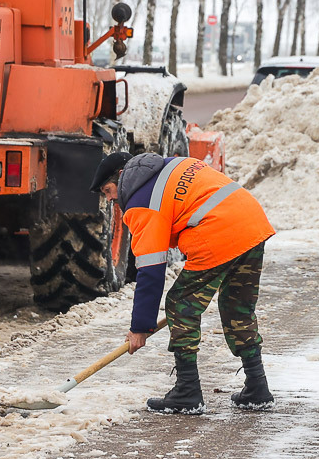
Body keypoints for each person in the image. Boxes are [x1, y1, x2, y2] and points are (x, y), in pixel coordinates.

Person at [89, 151, 276, 414]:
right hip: (251, 221)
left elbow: (151, 272)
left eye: (108, 191)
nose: (110, 199)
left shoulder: (141, 203)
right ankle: (258, 387)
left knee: (180, 304)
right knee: (237, 307)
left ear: (121, 177)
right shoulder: (174, 164)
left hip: (218, 230)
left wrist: (140, 327)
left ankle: (187, 391)